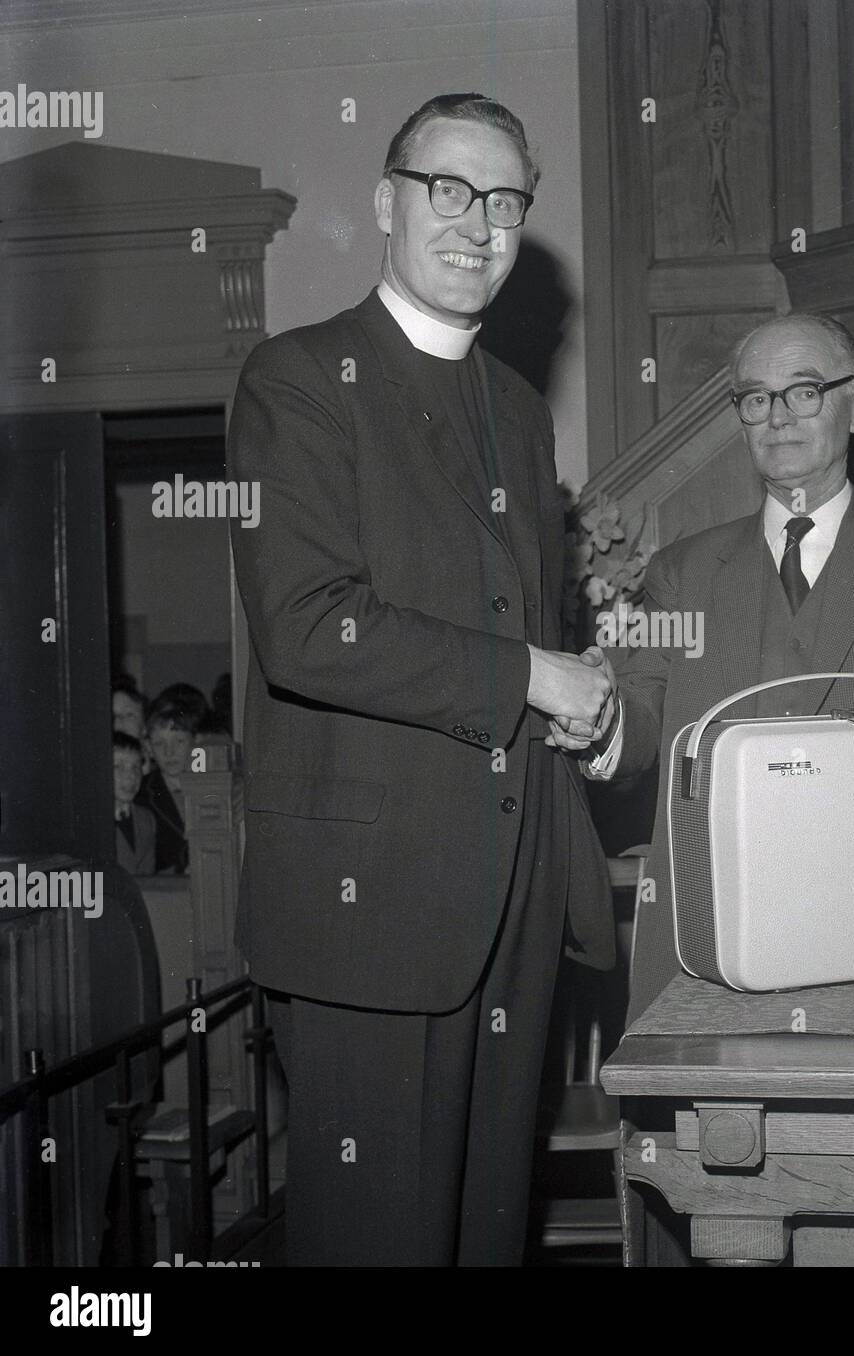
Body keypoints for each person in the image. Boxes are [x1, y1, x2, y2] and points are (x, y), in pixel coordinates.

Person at [228, 92, 615, 1267]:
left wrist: (583, 716)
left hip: (513, 895)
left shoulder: (512, 404)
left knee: (486, 1241)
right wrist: (533, 677)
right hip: (372, 908)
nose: (479, 223)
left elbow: (520, 627)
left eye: (505, 200)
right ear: (388, 203)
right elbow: (305, 626)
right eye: (450, 190)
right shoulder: (295, 379)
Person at [575, 313, 854, 1022]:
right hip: (701, 950)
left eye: (804, 391)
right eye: (756, 397)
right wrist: (594, 717)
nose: (777, 415)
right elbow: (642, 717)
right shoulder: (680, 573)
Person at [139, 697, 195, 874]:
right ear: (148, 747)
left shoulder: (212, 784)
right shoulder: (140, 793)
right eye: (159, 743)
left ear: (194, 741)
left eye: (178, 741)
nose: (169, 752)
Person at [113, 731, 156, 876]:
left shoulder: (146, 819)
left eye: (135, 767)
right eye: (118, 767)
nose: (131, 776)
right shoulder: (90, 823)